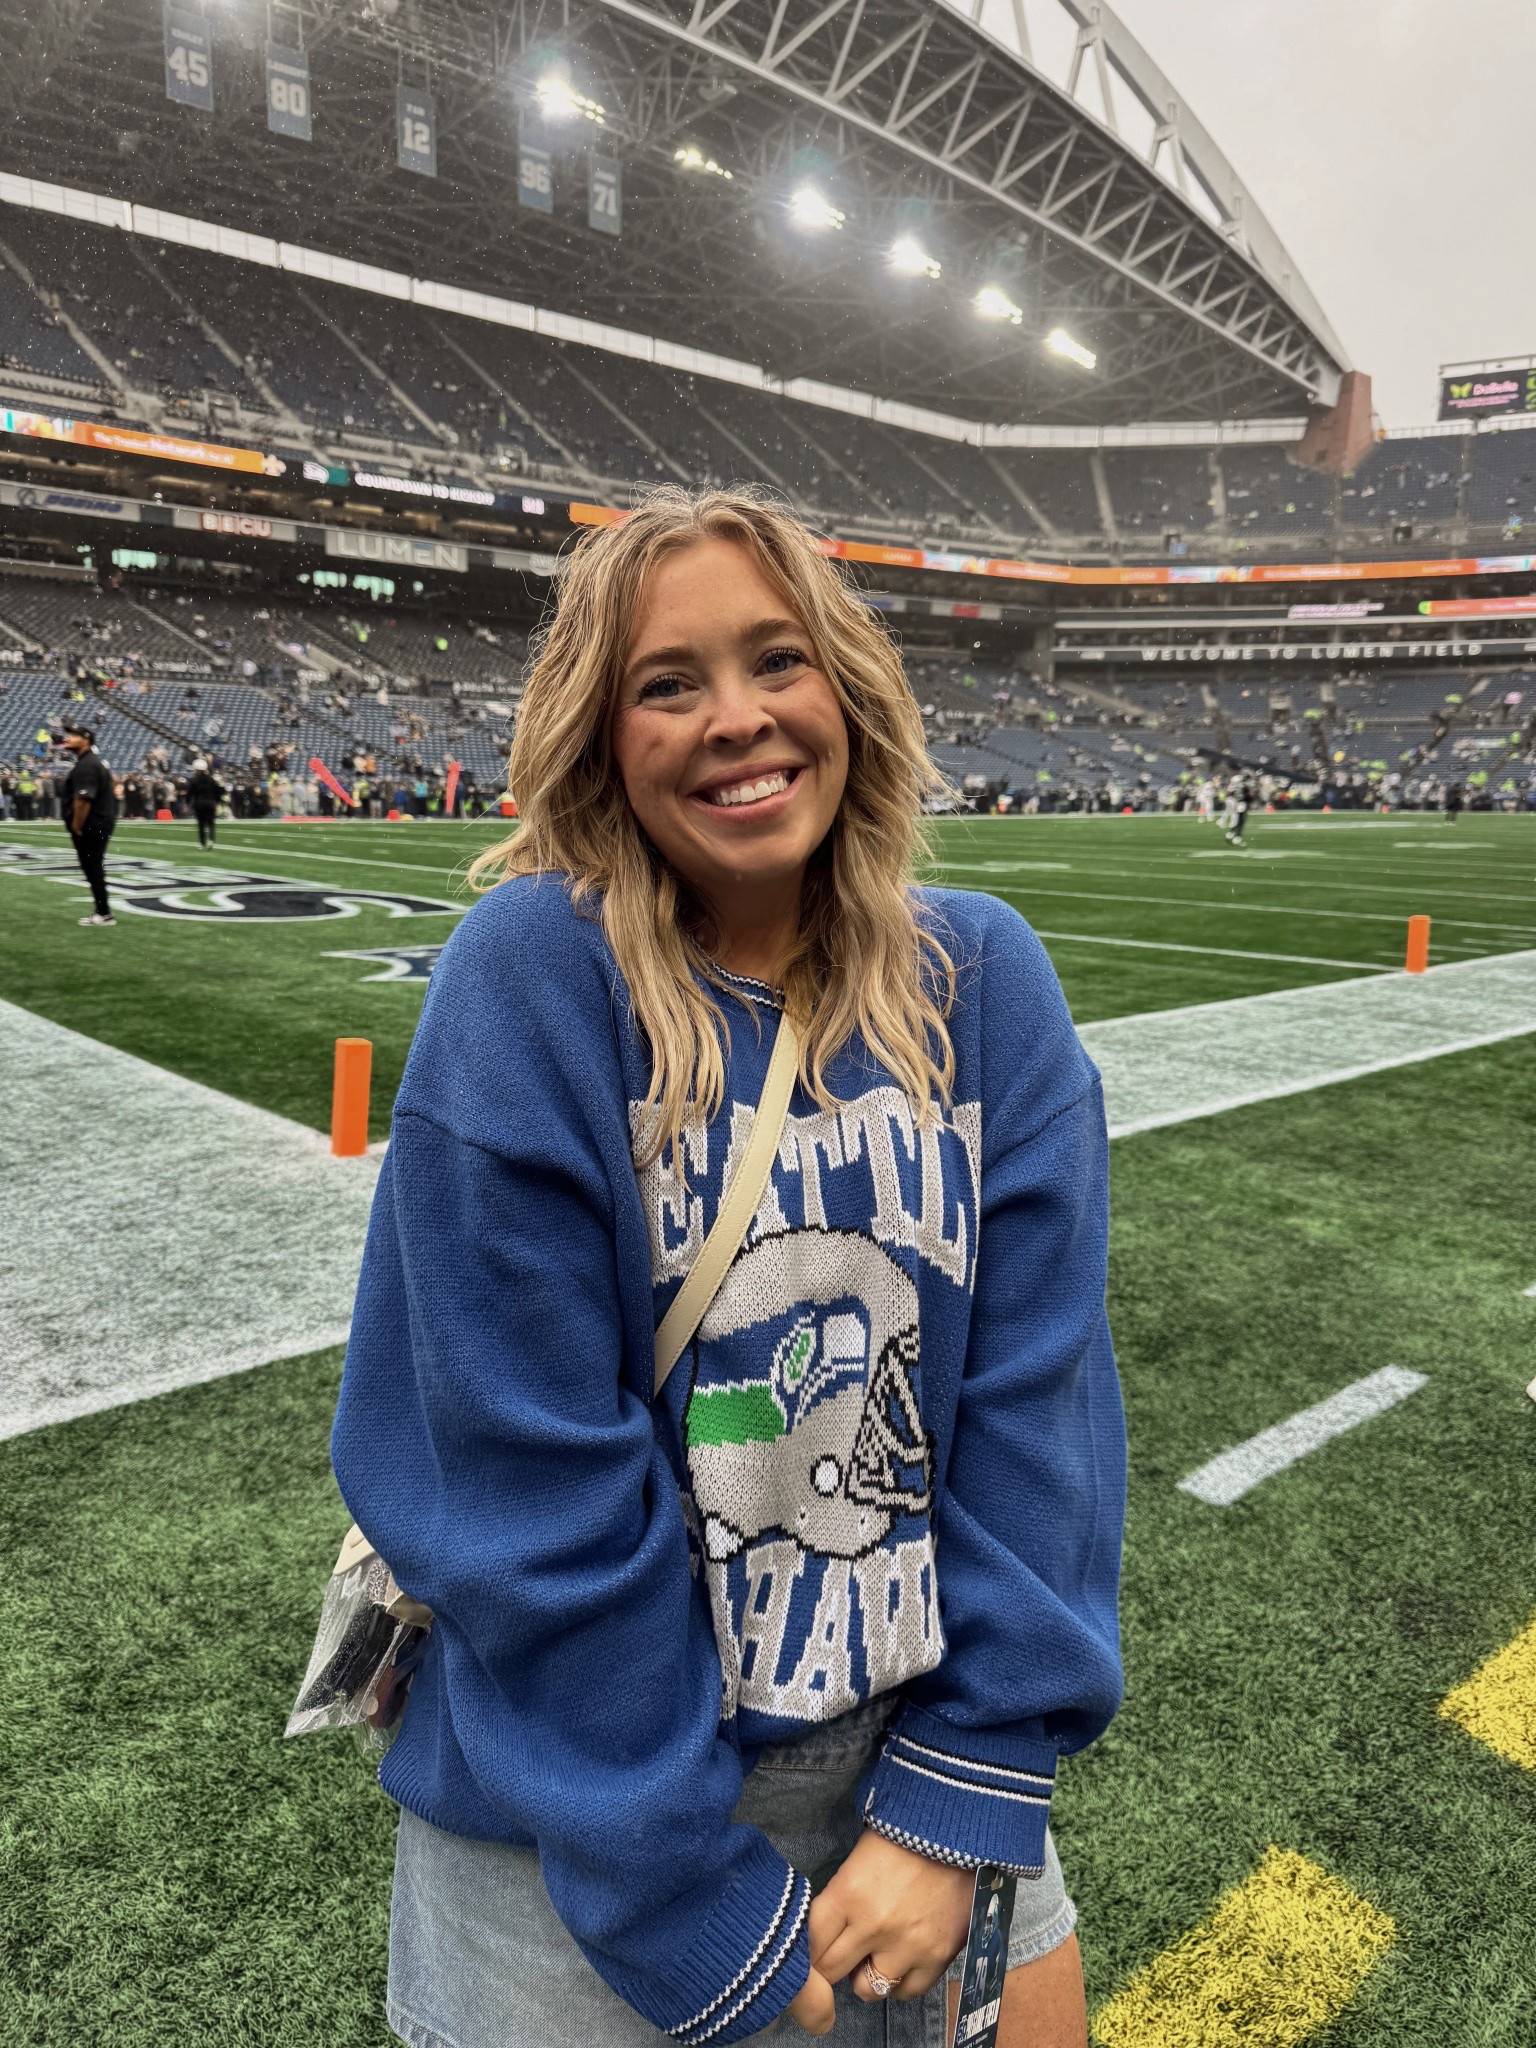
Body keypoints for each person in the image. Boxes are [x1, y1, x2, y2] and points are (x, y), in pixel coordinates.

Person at [332, 490, 1125, 2048]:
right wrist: (679, 1888)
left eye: (778, 660)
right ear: (599, 736)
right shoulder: (534, 978)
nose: (737, 719)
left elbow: (1039, 1420)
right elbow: (520, 1478)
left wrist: (965, 1792)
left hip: (918, 1762)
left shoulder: (986, 985)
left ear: (848, 685)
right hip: (581, 1819)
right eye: (667, 682)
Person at [56, 722, 119, 926]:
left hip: (91, 824)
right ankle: (103, 911)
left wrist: (76, 825)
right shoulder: (89, 762)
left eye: (72, 735)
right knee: (93, 867)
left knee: (92, 867)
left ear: (85, 740)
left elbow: (83, 800)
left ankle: (104, 912)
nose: (67, 738)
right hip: (98, 822)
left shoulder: (87, 765)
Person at [186, 759, 225, 847]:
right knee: (211, 823)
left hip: (199, 804)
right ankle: (211, 839)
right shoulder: (212, 779)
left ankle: (203, 843)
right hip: (211, 804)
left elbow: (190, 793)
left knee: (201, 824)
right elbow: (218, 791)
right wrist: (217, 802)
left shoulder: (194, 780)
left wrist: (187, 803)